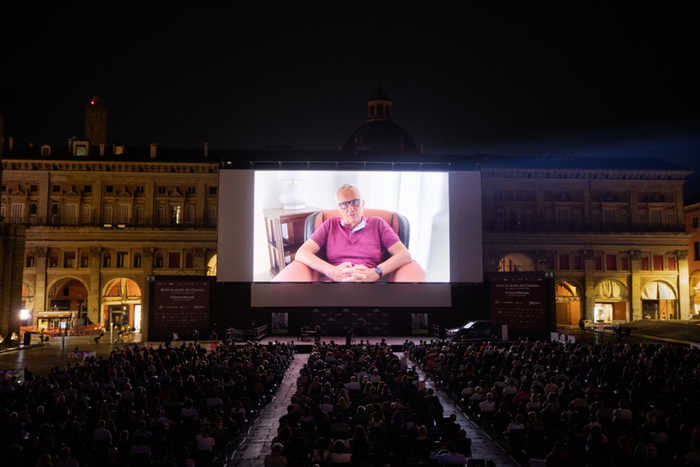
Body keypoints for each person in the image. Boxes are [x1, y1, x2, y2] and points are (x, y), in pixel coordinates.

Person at [273, 183, 412, 282]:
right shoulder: (330, 224)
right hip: (334, 284)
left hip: (369, 284)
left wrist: (376, 272)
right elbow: (301, 253)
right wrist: (331, 271)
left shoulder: (378, 224)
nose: (351, 209)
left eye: (355, 202)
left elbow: (404, 255)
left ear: (363, 203)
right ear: (339, 208)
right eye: (344, 204)